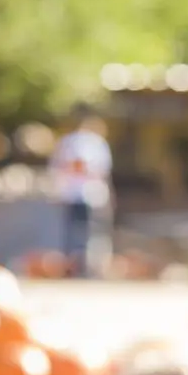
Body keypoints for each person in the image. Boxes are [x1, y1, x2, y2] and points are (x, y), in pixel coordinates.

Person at [49, 104, 114, 277]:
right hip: (81, 194)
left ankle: (80, 267)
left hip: (84, 194)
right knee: (79, 233)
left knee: (82, 233)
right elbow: (79, 164)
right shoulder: (84, 142)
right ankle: (77, 268)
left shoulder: (76, 142)